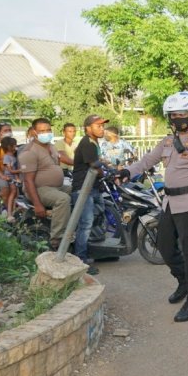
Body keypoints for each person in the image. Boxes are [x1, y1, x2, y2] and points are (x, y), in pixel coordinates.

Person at [118, 91, 188, 322]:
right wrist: (126, 171)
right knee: (163, 246)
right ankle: (183, 281)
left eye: (183, 113)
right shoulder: (166, 141)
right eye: (173, 114)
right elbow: (145, 162)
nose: (178, 118)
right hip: (169, 203)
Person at [19, 118, 72, 250]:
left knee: (79, 191)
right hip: (39, 189)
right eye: (42, 131)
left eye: (48, 130)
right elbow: (28, 180)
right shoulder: (29, 151)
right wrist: (37, 205)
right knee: (63, 199)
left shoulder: (51, 146)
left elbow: (60, 161)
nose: (46, 133)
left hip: (56, 187)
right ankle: (57, 240)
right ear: (34, 132)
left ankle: (73, 227)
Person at [71, 115, 108, 275]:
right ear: (88, 128)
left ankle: (94, 251)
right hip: (83, 188)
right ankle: (81, 260)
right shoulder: (87, 143)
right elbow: (93, 165)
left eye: (102, 126)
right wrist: (105, 172)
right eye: (98, 126)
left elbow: (98, 162)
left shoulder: (94, 142)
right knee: (85, 224)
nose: (102, 128)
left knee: (97, 217)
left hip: (93, 187)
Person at [0, 137, 20, 223]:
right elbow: (10, 170)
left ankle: (14, 211)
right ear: (9, 146)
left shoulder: (13, 156)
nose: (16, 146)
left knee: (17, 194)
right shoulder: (7, 157)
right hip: (10, 177)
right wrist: (21, 170)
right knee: (13, 193)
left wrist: (17, 177)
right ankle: (9, 214)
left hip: (14, 177)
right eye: (14, 145)